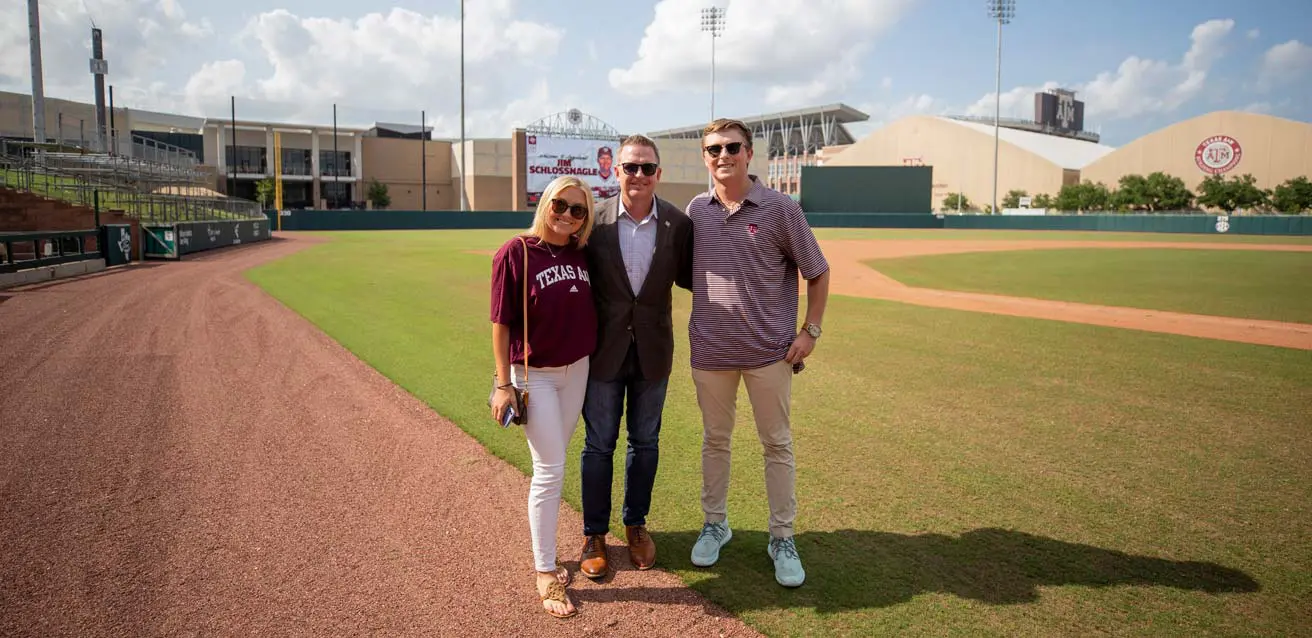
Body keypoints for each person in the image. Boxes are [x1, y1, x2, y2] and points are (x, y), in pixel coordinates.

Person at [683, 118, 830, 588]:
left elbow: (818, 271)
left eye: (731, 147)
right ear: (705, 157)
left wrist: (810, 331)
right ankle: (715, 524)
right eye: (713, 150)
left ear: (749, 153)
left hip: (770, 353)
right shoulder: (696, 211)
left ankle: (782, 537)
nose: (722, 155)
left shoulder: (780, 208)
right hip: (710, 352)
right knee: (715, 441)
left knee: (777, 444)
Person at [578, 135, 693, 579]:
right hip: (603, 352)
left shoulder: (678, 225)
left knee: (645, 444)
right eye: (630, 167)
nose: (638, 175)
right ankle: (593, 534)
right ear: (615, 170)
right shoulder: (594, 221)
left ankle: (635, 525)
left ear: (658, 174)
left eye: (647, 168)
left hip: (653, 353)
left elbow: (696, 279)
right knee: (598, 445)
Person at [489, 175, 598, 618]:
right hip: (536, 376)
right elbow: (499, 322)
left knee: (555, 461)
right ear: (545, 203)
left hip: (579, 371)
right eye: (560, 205)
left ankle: (548, 555)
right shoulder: (516, 251)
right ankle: (545, 570)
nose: (567, 215)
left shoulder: (582, 253)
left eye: (578, 210)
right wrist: (502, 383)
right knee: (549, 469)